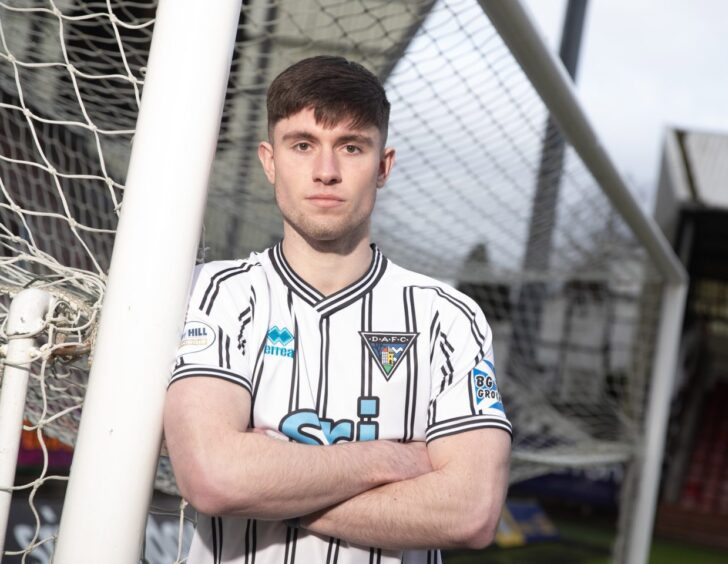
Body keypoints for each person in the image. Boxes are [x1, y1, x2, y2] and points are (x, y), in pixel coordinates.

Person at [163, 55, 511, 564]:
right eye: (302, 145)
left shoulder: (448, 317)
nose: (326, 172)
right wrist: (391, 458)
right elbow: (214, 479)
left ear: (383, 166)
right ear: (269, 161)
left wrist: (268, 482)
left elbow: (472, 511)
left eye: (351, 147)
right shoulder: (214, 292)